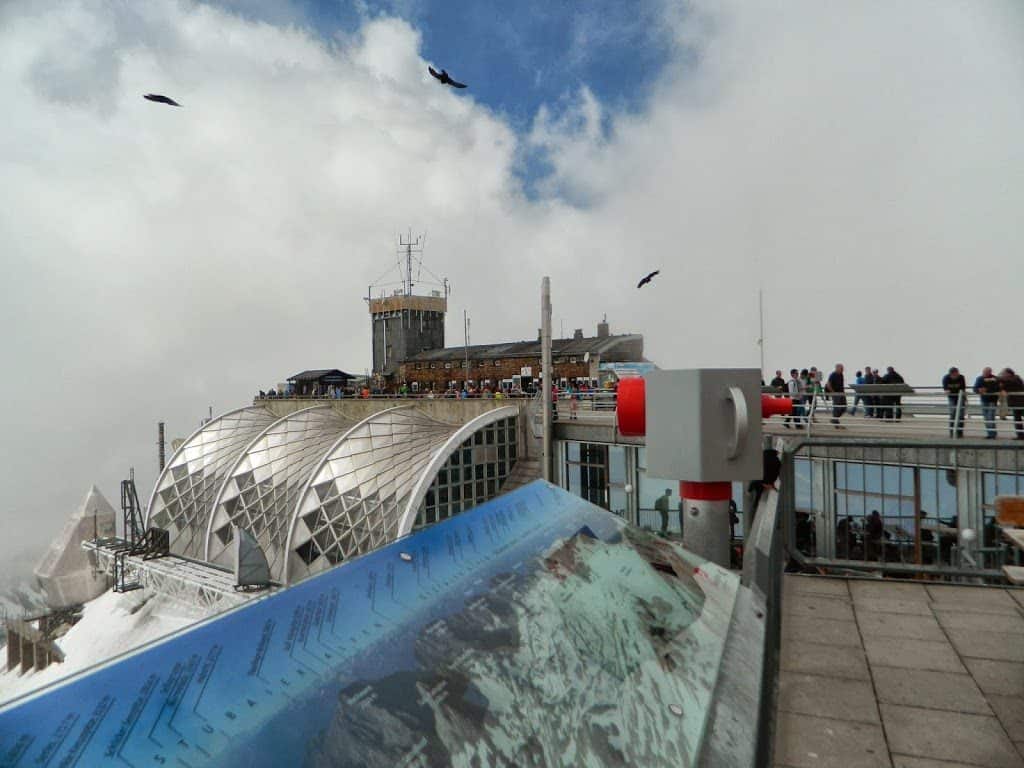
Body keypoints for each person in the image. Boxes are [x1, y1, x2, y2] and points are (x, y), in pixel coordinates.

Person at [941, 366, 968, 438]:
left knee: (961, 415)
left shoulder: (961, 377)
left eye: (957, 373)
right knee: (952, 414)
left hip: (960, 397)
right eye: (955, 374)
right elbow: (946, 390)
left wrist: (965, 398)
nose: (956, 375)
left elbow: (963, 389)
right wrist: (947, 391)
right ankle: (952, 432)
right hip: (952, 397)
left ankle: (960, 432)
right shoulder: (946, 378)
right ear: (951, 374)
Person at [998, 367, 1024, 440]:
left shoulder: (1016, 378)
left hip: (1021, 402)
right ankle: (1020, 435)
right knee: (1017, 419)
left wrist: (1001, 380)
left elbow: (1011, 383)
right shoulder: (1005, 381)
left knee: (1018, 419)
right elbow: (999, 385)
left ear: (1009, 373)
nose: (1003, 375)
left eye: (1004, 373)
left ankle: (1020, 435)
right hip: (1015, 403)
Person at [974, 366, 1000, 438]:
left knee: (990, 417)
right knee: (986, 418)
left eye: (987, 372)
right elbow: (975, 388)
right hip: (984, 400)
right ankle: (990, 433)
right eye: (984, 372)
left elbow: (997, 388)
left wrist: (987, 390)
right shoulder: (980, 378)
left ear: (990, 372)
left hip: (992, 400)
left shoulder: (995, 378)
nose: (985, 373)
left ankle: (992, 434)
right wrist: (979, 390)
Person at [825, 363, 846, 428]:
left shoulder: (841, 375)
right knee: (837, 408)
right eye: (841, 368)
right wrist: (833, 392)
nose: (842, 370)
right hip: (836, 394)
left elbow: (841, 384)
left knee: (844, 408)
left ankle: (834, 419)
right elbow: (828, 384)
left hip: (841, 393)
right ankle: (836, 423)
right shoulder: (833, 375)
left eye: (843, 368)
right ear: (837, 368)